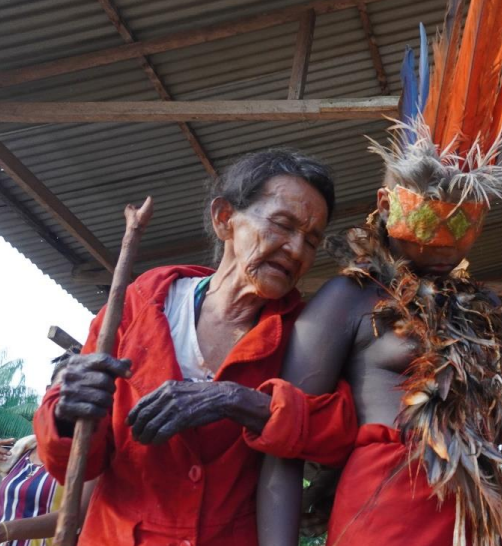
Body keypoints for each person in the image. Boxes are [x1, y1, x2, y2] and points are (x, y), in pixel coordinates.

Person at [256, 2, 502, 544]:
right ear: (387, 202)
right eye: (431, 214)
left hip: (484, 517)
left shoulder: (483, 311)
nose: (447, 240)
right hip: (387, 510)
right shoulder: (350, 296)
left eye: (466, 219)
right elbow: (284, 439)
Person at [33, 149, 357, 546]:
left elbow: (338, 431)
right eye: (282, 225)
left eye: (311, 239)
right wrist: (68, 414)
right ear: (224, 219)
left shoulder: (303, 332)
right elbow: (77, 461)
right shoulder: (140, 304)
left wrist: (236, 401)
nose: (296, 250)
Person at [0, 350, 96, 546]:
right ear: (47, 391)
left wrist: (5, 530)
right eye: (63, 386)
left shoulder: (93, 455)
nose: (70, 396)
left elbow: (75, 516)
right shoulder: (21, 451)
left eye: (80, 390)